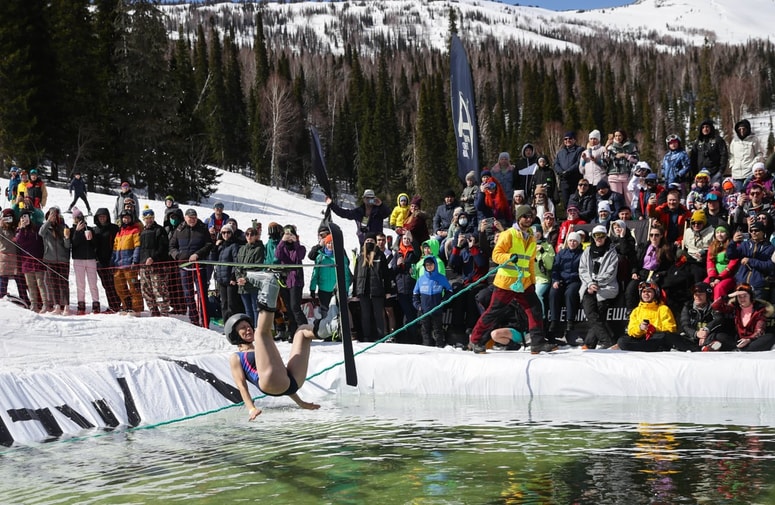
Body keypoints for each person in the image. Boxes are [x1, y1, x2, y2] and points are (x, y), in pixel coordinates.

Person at [468, 205, 556, 354]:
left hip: (524, 283)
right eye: (525, 216)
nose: (528, 219)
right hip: (507, 282)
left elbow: (530, 262)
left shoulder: (531, 238)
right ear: (518, 218)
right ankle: (476, 340)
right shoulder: (508, 234)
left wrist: (532, 281)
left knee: (534, 309)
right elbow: (496, 255)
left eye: (530, 217)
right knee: (494, 312)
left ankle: (537, 343)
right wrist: (509, 257)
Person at [226, 298, 320, 421]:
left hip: (291, 383)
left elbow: (282, 380)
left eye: (249, 326)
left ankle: (328, 328)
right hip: (268, 384)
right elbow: (241, 385)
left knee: (302, 331)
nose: (248, 329)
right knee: (261, 333)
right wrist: (251, 408)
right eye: (243, 328)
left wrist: (301, 403)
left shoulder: (261, 347)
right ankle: (268, 296)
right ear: (234, 334)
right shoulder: (236, 357)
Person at [616, 281, 698, 352]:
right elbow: (631, 331)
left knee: (665, 336)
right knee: (622, 341)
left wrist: (654, 329)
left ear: (655, 293)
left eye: (649, 292)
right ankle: (648, 348)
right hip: (643, 339)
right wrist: (640, 328)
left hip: (658, 338)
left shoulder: (663, 309)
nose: (646, 294)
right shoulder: (636, 311)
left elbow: (671, 329)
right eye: (644, 292)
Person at [169, 208, 213, 325]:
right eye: (190, 218)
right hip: (185, 266)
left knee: (202, 295)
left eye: (194, 217)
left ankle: (205, 321)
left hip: (199, 266)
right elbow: (172, 246)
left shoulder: (202, 228)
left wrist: (198, 254)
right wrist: (177, 255)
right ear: (185, 218)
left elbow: (209, 244)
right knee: (188, 295)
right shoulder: (179, 229)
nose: (192, 220)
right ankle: (194, 319)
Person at [579, 225, 619, 349]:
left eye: (602, 236)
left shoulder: (612, 252)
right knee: (590, 312)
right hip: (588, 286)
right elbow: (582, 270)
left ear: (606, 236)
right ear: (593, 237)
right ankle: (606, 341)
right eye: (596, 235)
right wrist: (590, 283)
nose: (599, 238)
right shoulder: (587, 251)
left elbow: (611, 273)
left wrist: (597, 284)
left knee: (599, 311)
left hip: (606, 287)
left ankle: (591, 343)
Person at [711, 283, 775, 351]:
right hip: (739, 341)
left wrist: (749, 339)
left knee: (770, 337)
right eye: (739, 296)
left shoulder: (759, 310)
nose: (742, 299)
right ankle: (739, 349)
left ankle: (741, 350)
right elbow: (715, 306)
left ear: (751, 296)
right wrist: (728, 296)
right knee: (720, 335)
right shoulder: (735, 307)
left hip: (753, 340)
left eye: (745, 296)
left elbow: (759, 331)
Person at [625, 224, 673, 310]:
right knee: (631, 289)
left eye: (656, 235)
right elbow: (636, 261)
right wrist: (634, 272)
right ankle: (631, 312)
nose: (653, 237)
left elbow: (668, 266)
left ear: (661, 236)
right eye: (651, 235)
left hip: (656, 274)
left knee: (653, 292)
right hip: (643, 272)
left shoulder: (666, 249)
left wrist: (659, 275)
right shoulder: (644, 246)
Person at [352, 232, 390, 342]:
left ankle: (380, 336)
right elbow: (356, 275)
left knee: (378, 314)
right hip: (363, 290)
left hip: (377, 290)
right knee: (365, 315)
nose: (369, 242)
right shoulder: (360, 257)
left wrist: (387, 290)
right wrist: (355, 292)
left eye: (371, 241)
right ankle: (366, 336)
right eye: (367, 241)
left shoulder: (380, 255)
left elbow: (386, 274)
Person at [680, 282, 734, 352]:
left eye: (701, 294)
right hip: (693, 337)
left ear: (707, 295)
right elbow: (685, 324)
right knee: (675, 337)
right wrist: (696, 334)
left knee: (721, 336)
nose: (697, 297)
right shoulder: (688, 306)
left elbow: (718, 319)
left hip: (709, 336)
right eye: (695, 295)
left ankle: (707, 346)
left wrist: (706, 330)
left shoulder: (713, 306)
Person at [727, 221, 775, 299]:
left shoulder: (770, 247)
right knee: (741, 305)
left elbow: (770, 266)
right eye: (751, 231)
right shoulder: (745, 244)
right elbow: (730, 255)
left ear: (763, 232)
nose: (753, 232)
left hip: (758, 286)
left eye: (756, 230)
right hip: (741, 283)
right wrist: (733, 242)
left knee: (757, 306)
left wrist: (750, 261)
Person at [548, 231, 582, 340]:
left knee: (570, 293)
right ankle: (554, 321)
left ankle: (570, 321)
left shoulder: (582, 254)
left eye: (575, 241)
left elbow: (583, 269)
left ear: (578, 242)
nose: (572, 243)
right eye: (570, 241)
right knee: (553, 292)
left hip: (575, 280)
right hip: (561, 280)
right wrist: (555, 280)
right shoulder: (562, 253)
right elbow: (555, 268)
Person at [413, 255, 453, 347]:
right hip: (424, 310)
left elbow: (450, 291)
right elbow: (415, 295)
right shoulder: (421, 279)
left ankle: (440, 347)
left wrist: (443, 302)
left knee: (438, 330)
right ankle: (427, 347)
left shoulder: (441, 278)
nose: (429, 266)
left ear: (435, 265)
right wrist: (418, 306)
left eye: (431, 264)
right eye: (427, 265)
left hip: (437, 310)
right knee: (425, 330)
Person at [275, 224, 307, 337]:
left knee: (295, 307)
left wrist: (296, 242)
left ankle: (305, 330)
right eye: (287, 234)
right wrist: (282, 241)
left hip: (296, 281)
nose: (289, 237)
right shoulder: (282, 247)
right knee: (288, 307)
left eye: (291, 234)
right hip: (284, 280)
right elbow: (277, 255)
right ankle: (293, 332)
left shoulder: (300, 247)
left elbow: (300, 256)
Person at [138, 207, 171, 317]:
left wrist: (154, 258)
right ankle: (153, 310)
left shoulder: (159, 230)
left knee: (159, 289)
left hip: (157, 266)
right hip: (144, 265)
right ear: (143, 219)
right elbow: (141, 249)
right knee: (146, 289)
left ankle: (164, 311)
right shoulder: (142, 232)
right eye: (147, 218)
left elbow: (163, 248)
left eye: (151, 218)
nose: (149, 220)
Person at [310, 233, 351, 320]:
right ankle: (326, 327)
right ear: (325, 244)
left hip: (337, 289)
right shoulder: (320, 257)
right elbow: (315, 273)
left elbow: (346, 275)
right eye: (328, 243)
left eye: (333, 243)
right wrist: (312, 288)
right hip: (323, 290)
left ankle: (338, 327)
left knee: (338, 312)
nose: (330, 245)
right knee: (325, 312)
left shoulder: (341, 257)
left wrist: (346, 289)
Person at [68, 207, 100, 315]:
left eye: (81, 217)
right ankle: (81, 304)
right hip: (78, 259)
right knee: (80, 283)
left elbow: (95, 245)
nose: (79, 219)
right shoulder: (72, 230)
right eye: (77, 218)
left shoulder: (89, 229)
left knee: (93, 282)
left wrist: (92, 238)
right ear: (74, 219)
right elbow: (73, 244)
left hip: (90, 258)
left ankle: (96, 303)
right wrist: (77, 232)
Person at [390, 230, 419, 344]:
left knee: (412, 312)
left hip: (412, 286)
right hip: (401, 288)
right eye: (404, 239)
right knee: (407, 312)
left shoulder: (413, 252)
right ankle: (409, 335)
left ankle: (413, 336)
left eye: (408, 239)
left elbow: (418, 254)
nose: (406, 241)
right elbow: (392, 270)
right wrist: (397, 265)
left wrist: (413, 240)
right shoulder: (398, 253)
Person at [14, 210, 46, 313]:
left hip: (38, 261)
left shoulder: (36, 228)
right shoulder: (19, 231)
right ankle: (34, 304)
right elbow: (19, 241)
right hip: (26, 263)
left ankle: (45, 304)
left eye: (26, 217)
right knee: (30, 285)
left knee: (41, 284)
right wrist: (22, 228)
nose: (25, 219)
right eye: (22, 217)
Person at [39, 206, 70, 314]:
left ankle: (66, 306)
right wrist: (48, 222)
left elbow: (67, 246)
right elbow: (40, 233)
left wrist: (67, 238)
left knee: (64, 283)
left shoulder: (63, 227)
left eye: (54, 215)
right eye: (50, 215)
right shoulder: (46, 228)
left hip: (63, 260)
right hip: (50, 259)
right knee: (53, 283)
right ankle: (57, 306)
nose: (53, 217)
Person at [112, 209, 143, 316]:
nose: (126, 220)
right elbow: (115, 248)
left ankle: (137, 309)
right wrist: (113, 261)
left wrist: (135, 260)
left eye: (128, 218)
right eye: (124, 218)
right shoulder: (119, 232)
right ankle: (127, 306)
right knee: (120, 287)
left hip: (129, 264)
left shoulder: (135, 230)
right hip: (118, 264)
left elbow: (137, 246)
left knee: (133, 287)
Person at [234, 225, 265, 327]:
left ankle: (256, 329)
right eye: (247, 234)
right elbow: (237, 265)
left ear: (256, 236)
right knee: (247, 309)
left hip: (253, 283)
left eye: (252, 234)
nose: (249, 236)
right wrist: (238, 278)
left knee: (256, 308)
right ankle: (250, 328)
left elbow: (258, 266)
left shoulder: (259, 248)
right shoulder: (242, 249)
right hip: (242, 284)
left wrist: (246, 279)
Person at [92, 208, 122, 313]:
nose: (102, 218)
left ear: (107, 217)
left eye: (104, 216)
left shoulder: (114, 228)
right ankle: (113, 305)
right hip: (100, 261)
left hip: (112, 260)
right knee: (106, 285)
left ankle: (118, 304)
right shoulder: (94, 230)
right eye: (100, 217)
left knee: (115, 283)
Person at [0, 208, 29, 305]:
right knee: (3, 280)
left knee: (20, 280)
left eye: (10, 217)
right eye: (6, 217)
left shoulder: (15, 228)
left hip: (17, 259)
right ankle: (2, 298)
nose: (9, 220)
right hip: (5, 259)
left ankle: (25, 300)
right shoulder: (2, 229)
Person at [604, 130, 639, 206]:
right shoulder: (610, 147)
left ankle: (632, 212)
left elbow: (636, 159)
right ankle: (617, 212)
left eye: (619, 135)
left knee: (630, 198)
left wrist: (625, 155)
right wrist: (606, 147)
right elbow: (605, 160)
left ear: (623, 136)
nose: (618, 138)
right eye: (616, 136)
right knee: (616, 199)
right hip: (614, 174)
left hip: (627, 175)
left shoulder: (630, 146)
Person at [704, 224, 739, 300]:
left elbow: (732, 264)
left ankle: (718, 306)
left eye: (722, 232)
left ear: (727, 234)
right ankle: (703, 305)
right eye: (717, 232)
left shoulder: (733, 245)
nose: (719, 234)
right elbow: (710, 262)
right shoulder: (713, 245)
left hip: (728, 276)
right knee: (704, 286)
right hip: (714, 275)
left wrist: (720, 277)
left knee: (719, 287)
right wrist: (712, 278)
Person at [689, 119, 728, 185]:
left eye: (707, 127)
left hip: (715, 173)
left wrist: (720, 171)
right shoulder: (697, 142)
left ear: (711, 128)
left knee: (714, 191)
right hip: (701, 175)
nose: (705, 129)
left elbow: (724, 155)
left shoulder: (718, 140)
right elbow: (693, 158)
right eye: (703, 127)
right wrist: (694, 173)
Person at [729, 119, 763, 192]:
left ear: (747, 129)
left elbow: (759, 154)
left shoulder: (754, 139)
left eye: (743, 129)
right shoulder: (734, 141)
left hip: (749, 173)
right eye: (740, 129)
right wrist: (732, 165)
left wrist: (753, 165)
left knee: (750, 193)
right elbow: (731, 155)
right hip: (737, 174)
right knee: (740, 195)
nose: (742, 131)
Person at [554, 131, 584, 209]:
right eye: (565, 139)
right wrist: (561, 172)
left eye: (570, 138)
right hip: (564, 181)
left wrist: (568, 171)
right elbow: (556, 164)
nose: (568, 140)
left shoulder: (580, 150)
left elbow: (578, 163)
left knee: (576, 202)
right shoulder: (560, 152)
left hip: (575, 180)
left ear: (574, 140)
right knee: (565, 203)